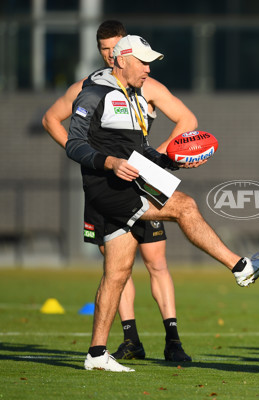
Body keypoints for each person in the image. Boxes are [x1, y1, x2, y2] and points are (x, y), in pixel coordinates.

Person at [66, 34, 259, 372]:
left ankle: (96, 353)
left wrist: (173, 161)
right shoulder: (94, 93)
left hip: (126, 182)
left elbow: (140, 153)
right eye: (143, 61)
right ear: (121, 59)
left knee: (117, 272)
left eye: (150, 61)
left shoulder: (135, 95)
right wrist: (109, 163)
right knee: (185, 205)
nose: (149, 68)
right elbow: (74, 144)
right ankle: (242, 268)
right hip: (107, 188)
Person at [42, 20, 198, 362]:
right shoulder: (89, 88)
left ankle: (173, 340)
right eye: (104, 49)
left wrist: (153, 158)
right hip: (107, 184)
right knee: (116, 265)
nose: (111, 54)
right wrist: (89, 157)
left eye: (116, 47)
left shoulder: (147, 85)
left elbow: (187, 120)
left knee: (156, 261)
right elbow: (51, 119)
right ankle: (131, 339)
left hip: (141, 180)